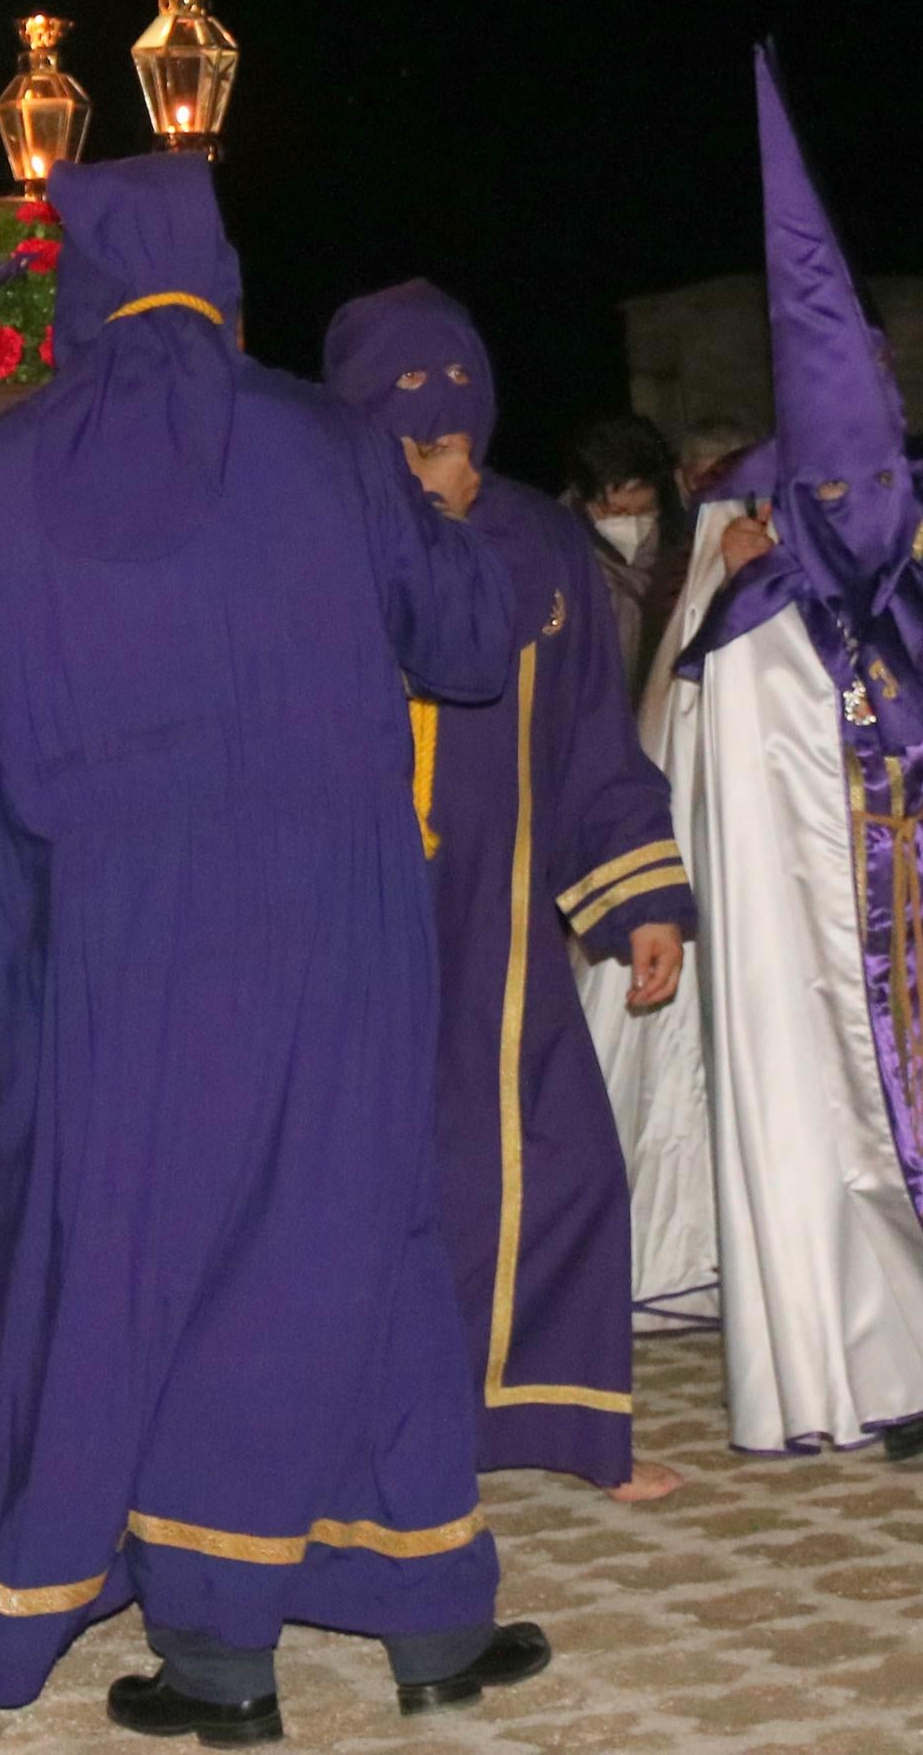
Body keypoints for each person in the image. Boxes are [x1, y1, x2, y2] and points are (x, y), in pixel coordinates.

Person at [0, 155, 547, 1745]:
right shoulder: (331, 445)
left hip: (122, 952)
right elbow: (471, 641)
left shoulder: (1, 471)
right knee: (353, 1237)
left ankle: (221, 1658)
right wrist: (450, 516)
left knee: (140, 1256)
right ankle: (422, 1617)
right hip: (339, 930)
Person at [652, 49, 923, 1460]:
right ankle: (861, 1361)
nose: (861, 501)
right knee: (818, 1126)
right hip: (793, 941)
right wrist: (707, 605)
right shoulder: (743, 586)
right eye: (836, 480)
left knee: (906, 1124)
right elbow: (685, 745)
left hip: (916, 918)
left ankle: (916, 1349)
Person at [328, 286, 694, 1508]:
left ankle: (560, 1422)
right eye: (420, 448)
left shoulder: (538, 547)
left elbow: (593, 735)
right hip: (345, 933)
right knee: (369, 1180)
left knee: (562, 1168)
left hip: (498, 938)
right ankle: (353, 1432)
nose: (451, 469)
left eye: (465, 441)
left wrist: (640, 895)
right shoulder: (314, 545)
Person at [560, 409, 693, 692]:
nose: (631, 523)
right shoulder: (557, 547)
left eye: (644, 511)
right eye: (616, 512)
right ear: (586, 498)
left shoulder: (683, 540)